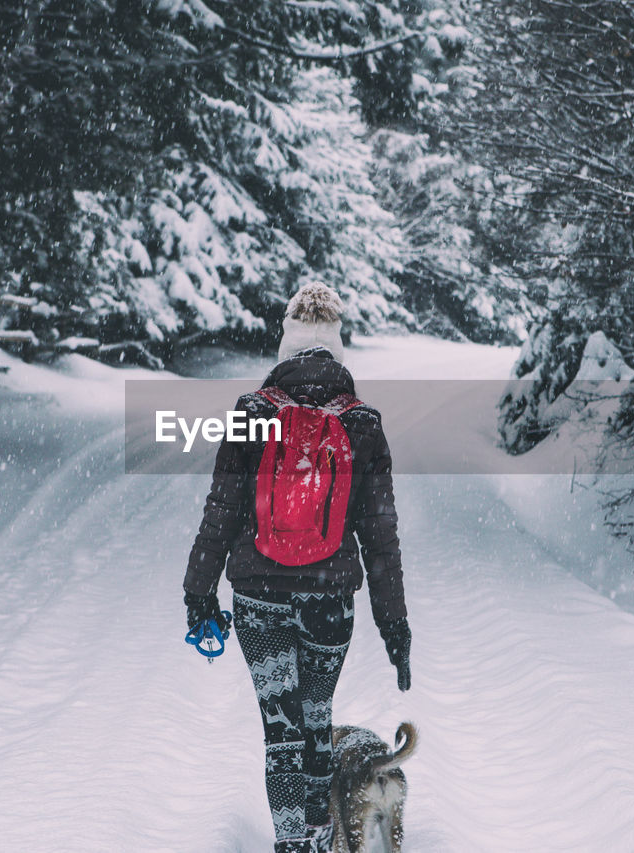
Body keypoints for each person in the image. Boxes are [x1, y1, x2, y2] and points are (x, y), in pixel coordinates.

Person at [183, 283, 411, 853]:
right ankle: (318, 833)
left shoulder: (253, 413)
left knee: (280, 736)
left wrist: (199, 593)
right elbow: (381, 540)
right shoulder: (363, 424)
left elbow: (221, 511)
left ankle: (294, 845)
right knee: (316, 725)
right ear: (336, 345)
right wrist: (394, 626)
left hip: (258, 598)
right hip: (330, 599)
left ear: (286, 343)